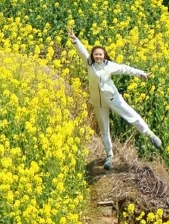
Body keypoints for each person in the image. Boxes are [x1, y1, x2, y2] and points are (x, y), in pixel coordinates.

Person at [69, 28, 162, 170]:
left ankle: (150, 134)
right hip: (98, 103)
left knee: (131, 115)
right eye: (96, 54)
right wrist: (75, 40)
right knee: (104, 129)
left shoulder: (109, 65)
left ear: (104, 55)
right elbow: (82, 51)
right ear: (93, 55)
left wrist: (141, 74)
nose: (98, 56)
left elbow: (125, 69)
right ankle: (109, 156)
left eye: (100, 54)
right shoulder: (89, 64)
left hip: (112, 98)